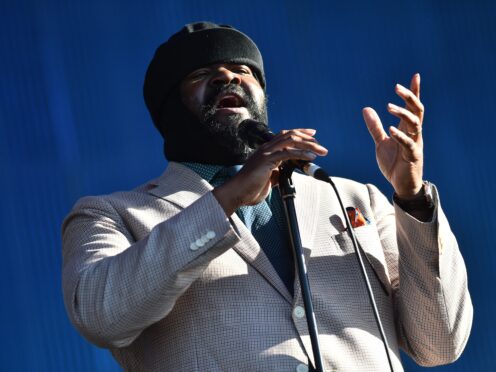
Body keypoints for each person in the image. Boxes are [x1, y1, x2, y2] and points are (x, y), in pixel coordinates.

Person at [62, 22, 472, 371]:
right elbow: (102, 317)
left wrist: (412, 196)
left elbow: (439, 343)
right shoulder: (113, 214)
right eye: (203, 73)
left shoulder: (353, 197)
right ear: (170, 105)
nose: (229, 78)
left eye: (244, 70)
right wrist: (225, 202)